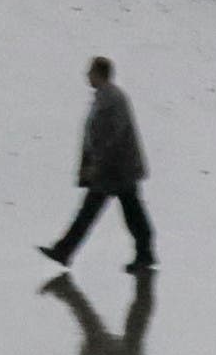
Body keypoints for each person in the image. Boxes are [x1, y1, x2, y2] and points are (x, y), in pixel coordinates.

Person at [41, 57, 154, 273]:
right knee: (124, 212)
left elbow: (112, 136)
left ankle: (65, 251)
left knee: (122, 214)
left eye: (90, 72)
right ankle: (65, 251)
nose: (87, 76)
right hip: (115, 170)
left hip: (117, 171)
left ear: (99, 73)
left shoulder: (112, 98)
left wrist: (96, 164)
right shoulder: (106, 97)